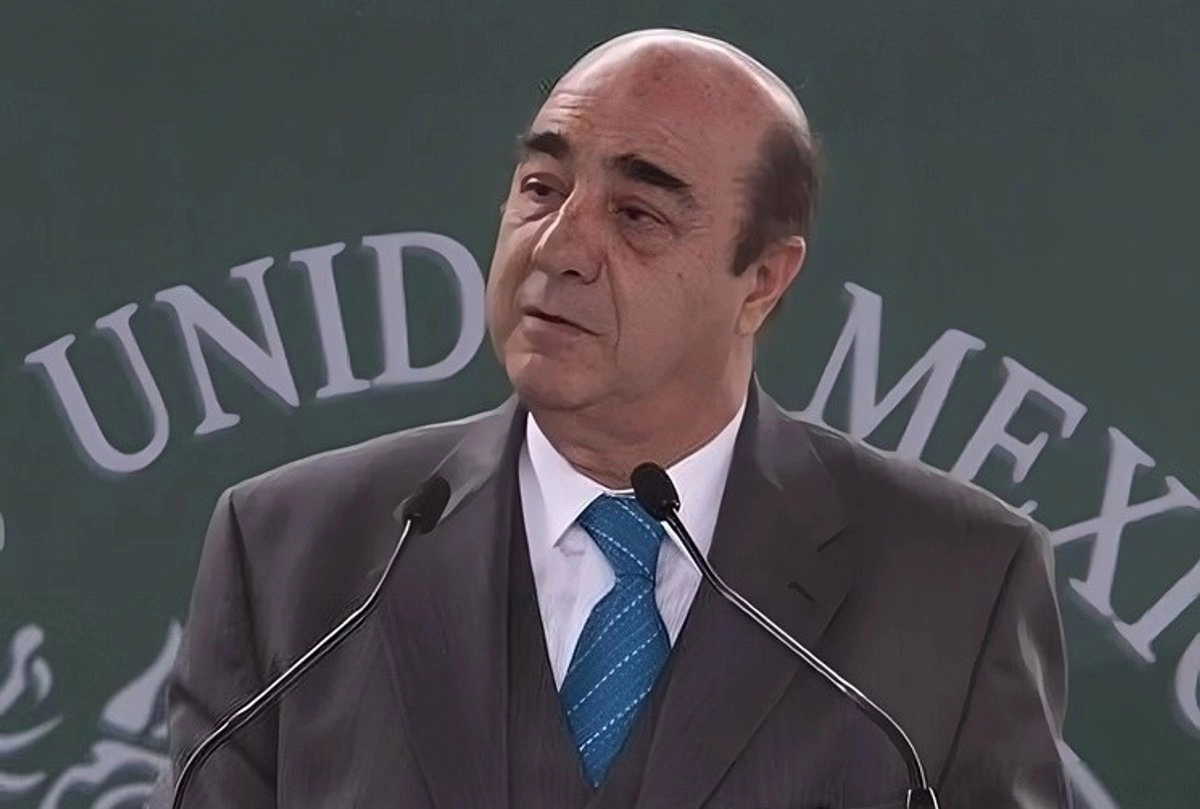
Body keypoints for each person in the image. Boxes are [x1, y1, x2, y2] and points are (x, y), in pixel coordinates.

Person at [150, 28, 1069, 808]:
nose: (559, 248)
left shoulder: (958, 580)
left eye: (636, 214)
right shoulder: (291, 551)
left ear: (761, 279)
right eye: (542, 187)